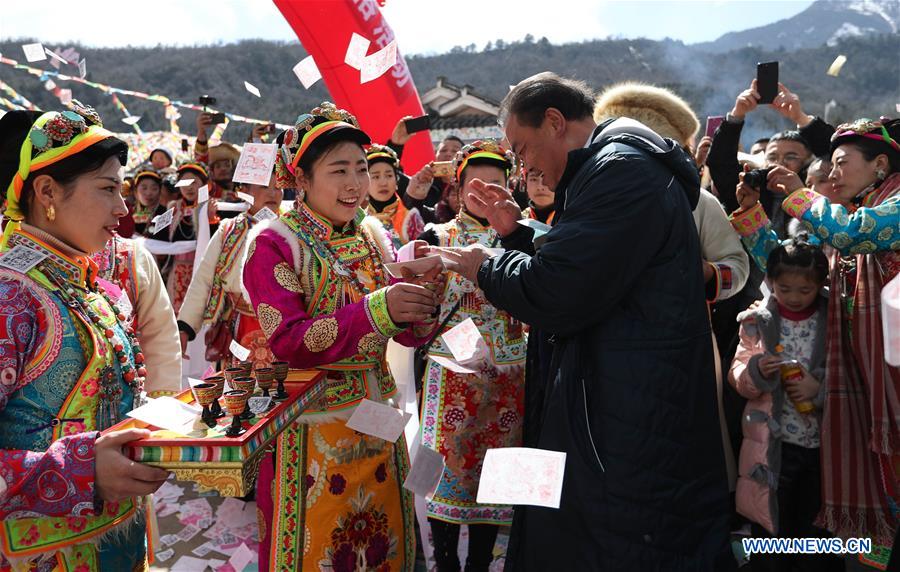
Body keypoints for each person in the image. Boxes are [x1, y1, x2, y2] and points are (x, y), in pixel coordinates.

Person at [435, 72, 733, 570]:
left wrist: (484, 265)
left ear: (554, 122)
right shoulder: (607, 168)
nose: (523, 167)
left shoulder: (620, 171)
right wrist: (516, 235)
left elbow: (556, 291)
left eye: (522, 149)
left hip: (625, 416)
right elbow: (588, 268)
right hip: (614, 401)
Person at [242, 102, 442, 571]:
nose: (355, 183)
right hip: (311, 429)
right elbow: (290, 340)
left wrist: (422, 302)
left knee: (383, 549)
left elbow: (403, 335)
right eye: (338, 170)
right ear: (301, 178)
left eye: (360, 168)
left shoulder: (373, 235)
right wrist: (379, 310)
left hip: (379, 420)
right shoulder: (274, 244)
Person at [0, 104, 169, 571]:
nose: (123, 208)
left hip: (118, 540)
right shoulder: (11, 298)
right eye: (108, 188)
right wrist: (80, 469)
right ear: (47, 191)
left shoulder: (96, 288)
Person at [730, 117, 900, 554]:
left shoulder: (884, 211)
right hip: (869, 380)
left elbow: (850, 233)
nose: (833, 173)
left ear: (880, 165)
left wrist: (797, 194)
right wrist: (752, 213)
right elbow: (795, 272)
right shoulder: (855, 215)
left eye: (841, 162)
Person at [416, 140, 525, 572]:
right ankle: (445, 562)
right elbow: (420, 308)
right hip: (451, 377)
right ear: (458, 191)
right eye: (475, 184)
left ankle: (480, 561)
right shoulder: (436, 237)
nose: (484, 192)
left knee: (496, 475)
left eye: (495, 183)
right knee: (446, 471)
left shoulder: (523, 238)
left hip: (510, 375)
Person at [729, 236, 843, 572]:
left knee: (815, 526)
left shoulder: (835, 317)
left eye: (804, 290)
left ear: (820, 284)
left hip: (821, 446)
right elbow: (738, 374)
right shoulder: (757, 321)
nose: (794, 297)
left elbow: (851, 376)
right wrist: (756, 370)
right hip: (772, 447)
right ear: (770, 282)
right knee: (773, 523)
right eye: (784, 288)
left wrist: (819, 389)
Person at [177, 166, 283, 369]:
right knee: (238, 382)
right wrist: (185, 327)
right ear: (245, 191)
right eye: (264, 187)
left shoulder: (292, 229)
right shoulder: (229, 230)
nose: (272, 193)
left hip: (283, 326)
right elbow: (204, 280)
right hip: (239, 326)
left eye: (278, 187)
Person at [707, 80, 834, 218]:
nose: (780, 163)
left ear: (808, 163)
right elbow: (720, 164)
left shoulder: (821, 193)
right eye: (772, 157)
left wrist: (800, 117)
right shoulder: (747, 193)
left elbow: (836, 154)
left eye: (790, 157)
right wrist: (737, 115)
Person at [93, 234, 182, 398]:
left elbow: (160, 336)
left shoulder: (131, 256)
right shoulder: (38, 264)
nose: (118, 220)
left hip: (127, 399)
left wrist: (159, 400)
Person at [163, 161, 219, 313]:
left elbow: (216, 239)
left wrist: (210, 219)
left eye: (194, 182)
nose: (189, 187)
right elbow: (160, 236)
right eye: (184, 182)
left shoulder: (211, 207)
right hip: (177, 271)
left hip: (202, 268)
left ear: (205, 184)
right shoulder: (173, 208)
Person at [365, 143, 424, 247]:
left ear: (396, 181)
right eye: (376, 177)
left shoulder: (410, 218)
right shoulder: (357, 219)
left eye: (389, 175)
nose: (383, 183)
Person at [130, 167, 168, 237]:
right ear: (135, 191)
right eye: (144, 188)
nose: (148, 193)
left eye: (154, 189)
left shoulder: (165, 215)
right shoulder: (127, 213)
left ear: (160, 191)